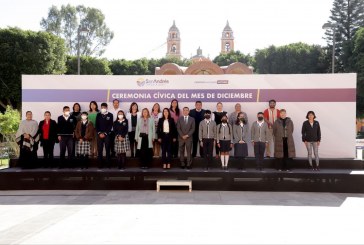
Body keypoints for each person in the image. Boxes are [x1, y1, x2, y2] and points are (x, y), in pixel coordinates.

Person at [96, 103, 113, 168]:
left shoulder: (110, 115)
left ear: (106, 107)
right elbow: (97, 125)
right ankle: (100, 165)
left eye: (104, 107)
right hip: (99, 135)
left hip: (107, 135)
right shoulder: (98, 114)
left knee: (107, 149)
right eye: (102, 107)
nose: (103, 108)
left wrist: (105, 133)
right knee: (100, 150)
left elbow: (110, 125)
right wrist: (99, 133)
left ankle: (108, 165)